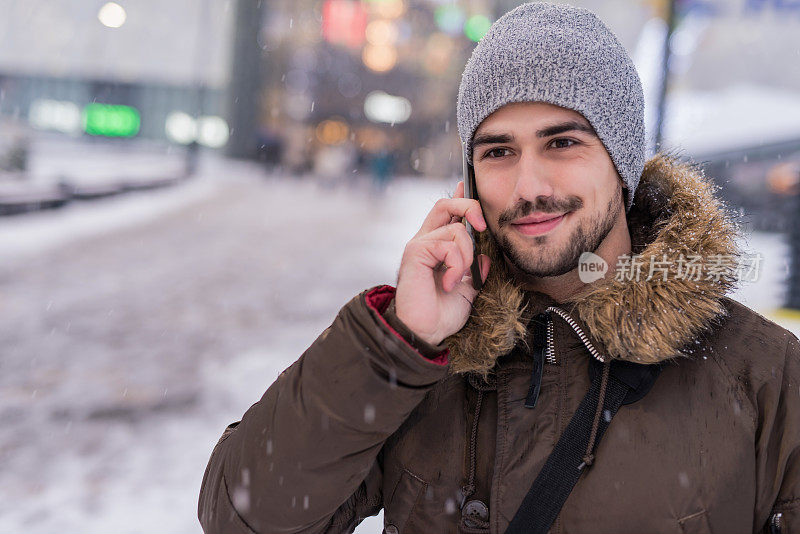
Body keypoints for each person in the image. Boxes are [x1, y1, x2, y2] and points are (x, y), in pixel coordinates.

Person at [198, 3, 800, 532]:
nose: (528, 186)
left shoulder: (766, 378)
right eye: (498, 151)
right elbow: (244, 518)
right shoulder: (424, 355)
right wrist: (399, 346)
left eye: (562, 142)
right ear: (469, 177)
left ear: (623, 162)